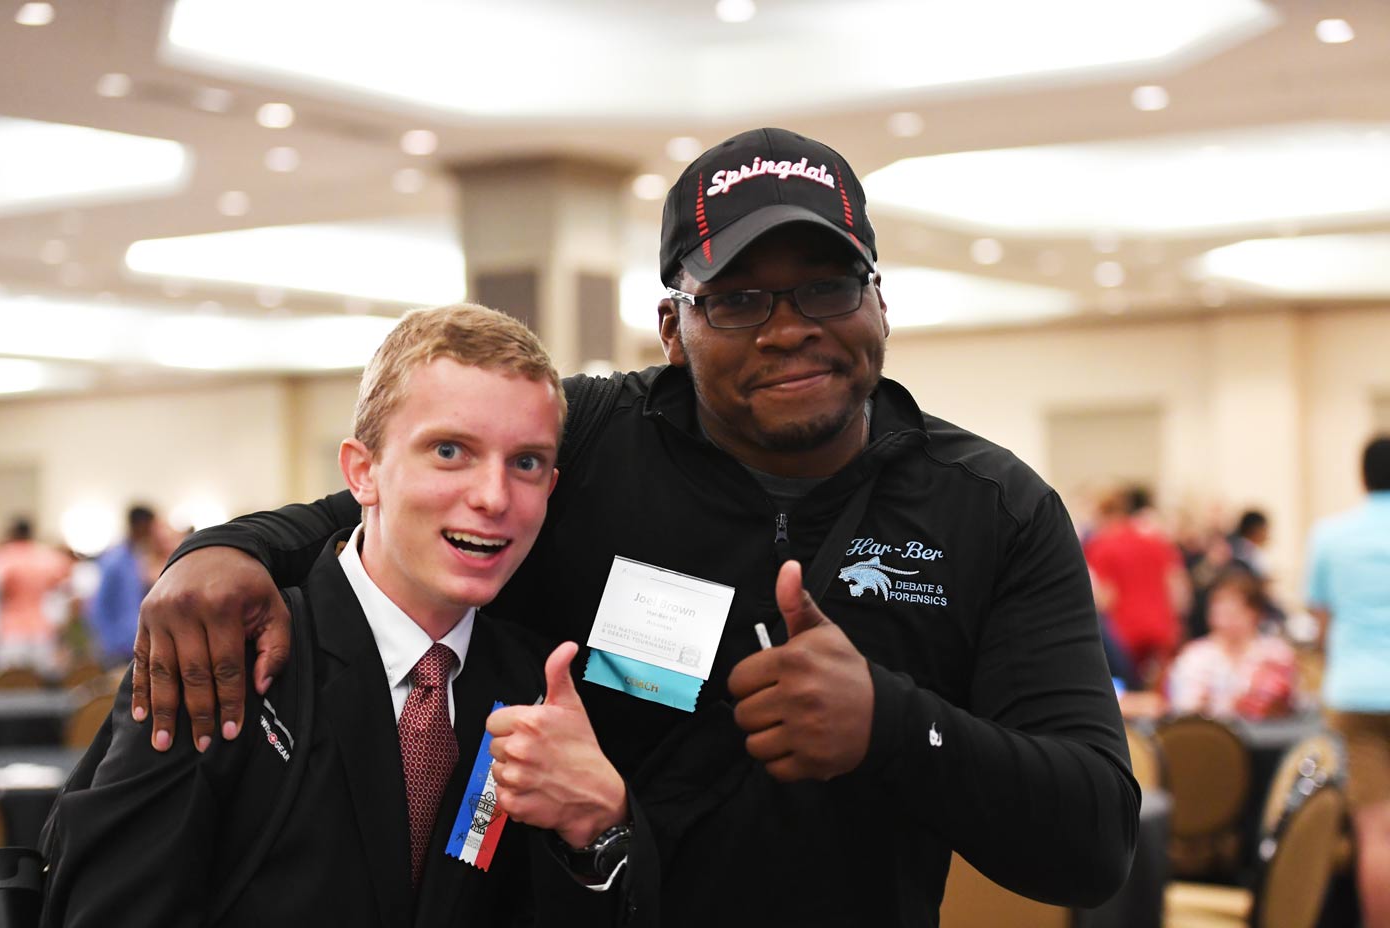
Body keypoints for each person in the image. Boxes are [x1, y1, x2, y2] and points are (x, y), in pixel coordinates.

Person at [133, 128, 1139, 926]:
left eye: (827, 286)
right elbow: (381, 506)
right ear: (672, 326)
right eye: (737, 299)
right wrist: (220, 552)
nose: (789, 328)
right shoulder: (599, 439)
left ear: (880, 299)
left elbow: (1091, 843)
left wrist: (894, 725)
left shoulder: (989, 508)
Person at [41, 305, 651, 927]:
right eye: (449, 451)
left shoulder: (535, 687)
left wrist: (595, 831)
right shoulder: (222, 656)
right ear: (363, 472)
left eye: (526, 462)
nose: (493, 497)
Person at [1305, 435, 1390, 928]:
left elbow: (1320, 622)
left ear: (1363, 476)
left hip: (1356, 691)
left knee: (1374, 832)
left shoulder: (1332, 535)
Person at [1084, 486, 1191, 684]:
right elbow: (1179, 592)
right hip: (1163, 631)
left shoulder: (1101, 545)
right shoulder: (1158, 541)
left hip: (1124, 635)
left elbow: (1105, 598)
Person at [1166, 569, 1296, 720]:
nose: (1226, 614)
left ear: (1255, 612)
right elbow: (1184, 710)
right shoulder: (1195, 656)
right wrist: (1226, 705)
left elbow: (1290, 704)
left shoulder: (1276, 653)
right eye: (1219, 604)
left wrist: (1275, 700)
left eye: (1235, 606)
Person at [85, 504, 159, 667]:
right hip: (118, 648)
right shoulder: (114, 560)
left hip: (134, 643)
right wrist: (109, 643)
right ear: (141, 525)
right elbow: (98, 605)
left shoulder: (137, 557)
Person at [0, 517, 73, 673]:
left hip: (12, 631)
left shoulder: (4, 556)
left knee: (12, 683)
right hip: (43, 629)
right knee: (41, 684)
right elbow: (67, 586)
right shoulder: (48, 557)